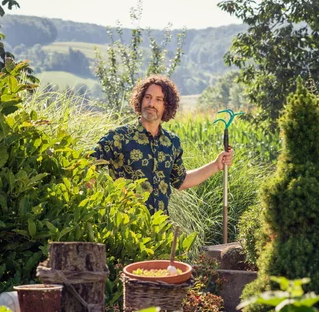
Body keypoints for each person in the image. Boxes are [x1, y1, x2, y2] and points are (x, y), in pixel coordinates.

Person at [93, 75, 234, 214]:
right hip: (126, 230)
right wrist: (100, 204)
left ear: (167, 106)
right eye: (147, 97)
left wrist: (216, 165)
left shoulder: (171, 142)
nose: (151, 104)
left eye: (158, 99)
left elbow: (181, 181)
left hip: (160, 229)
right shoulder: (119, 136)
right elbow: (87, 166)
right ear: (140, 100)